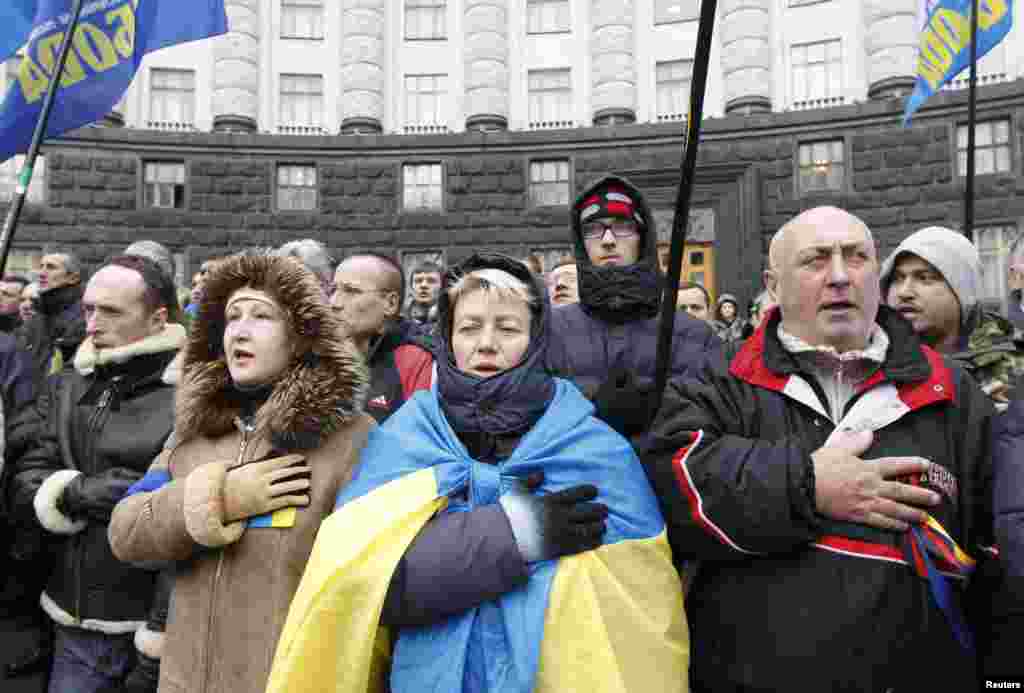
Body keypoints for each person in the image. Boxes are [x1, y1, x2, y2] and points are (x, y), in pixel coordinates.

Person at [265, 253, 688, 693]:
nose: (486, 344)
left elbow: (633, 609)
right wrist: (515, 533)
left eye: (507, 328)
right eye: (469, 328)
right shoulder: (402, 440)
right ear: (447, 339)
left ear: (536, 339)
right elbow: (363, 589)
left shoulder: (593, 448)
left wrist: (452, 546)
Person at [643, 207, 997, 692]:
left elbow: (996, 558)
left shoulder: (953, 391)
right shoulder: (719, 383)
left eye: (856, 258)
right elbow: (675, 489)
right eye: (815, 260)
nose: (838, 277)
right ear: (773, 285)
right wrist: (808, 486)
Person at [107, 252, 375, 693]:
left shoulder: (353, 438)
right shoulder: (192, 433)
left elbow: (362, 592)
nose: (241, 330)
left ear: (300, 336)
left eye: (261, 316)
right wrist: (219, 498)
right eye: (232, 317)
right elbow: (127, 532)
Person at [6, 256, 185, 693]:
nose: (92, 323)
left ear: (158, 317)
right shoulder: (70, 382)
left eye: (111, 312)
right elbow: (27, 475)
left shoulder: (193, 391)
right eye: (88, 308)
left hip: (158, 619)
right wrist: (81, 492)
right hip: (73, 617)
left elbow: (181, 507)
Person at [546, 174, 718, 441]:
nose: (607, 240)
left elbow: (713, 422)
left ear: (642, 236)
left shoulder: (694, 336)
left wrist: (660, 410)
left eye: (622, 225)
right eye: (593, 229)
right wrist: (590, 408)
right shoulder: (551, 330)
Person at [882, 226, 1024, 410]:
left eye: (924, 278)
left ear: (963, 291)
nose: (904, 292)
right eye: (897, 278)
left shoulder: (1014, 370)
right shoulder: (867, 366)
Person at [331, 253, 434, 423]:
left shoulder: (416, 359)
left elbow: (419, 438)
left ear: (390, 304)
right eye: (333, 289)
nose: (334, 302)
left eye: (351, 291)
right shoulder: (315, 353)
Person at [17, 251, 86, 390]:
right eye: (41, 266)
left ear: (72, 278)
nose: (41, 273)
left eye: (51, 267)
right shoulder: (38, 314)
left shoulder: (84, 317)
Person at [406, 261, 442, 327]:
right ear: (411, 287)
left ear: (442, 287)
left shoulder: (452, 319)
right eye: (418, 281)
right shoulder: (398, 321)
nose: (423, 285)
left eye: (431, 281)